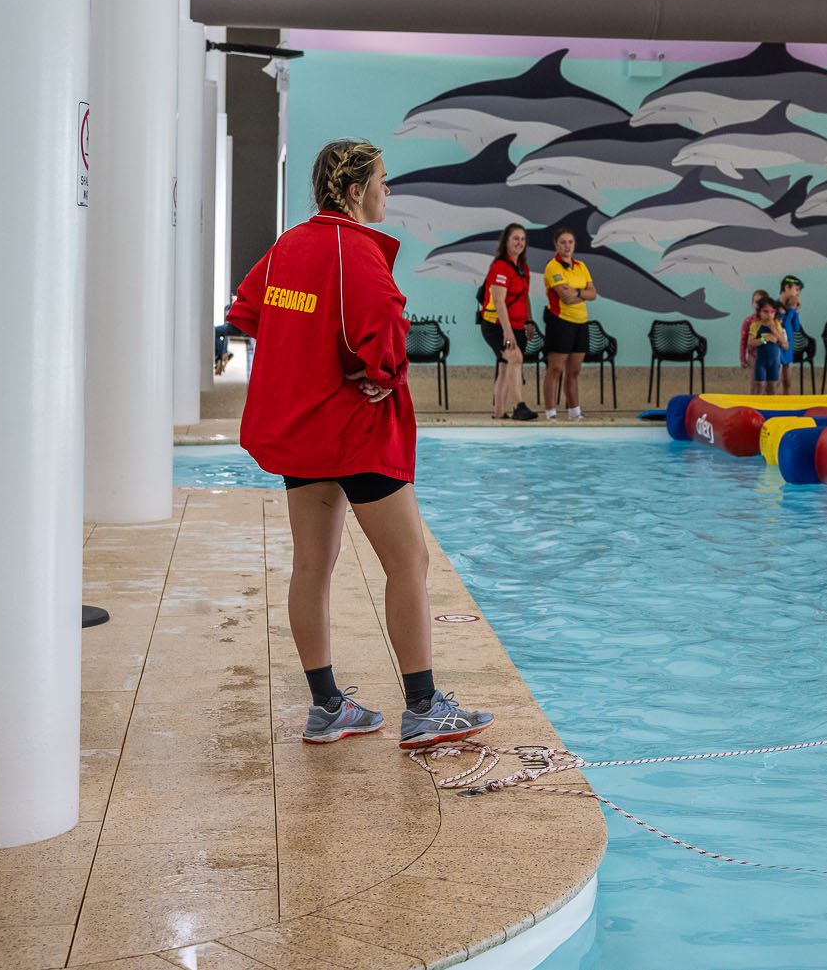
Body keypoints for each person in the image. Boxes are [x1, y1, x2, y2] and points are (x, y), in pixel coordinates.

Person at [228, 138, 493, 748]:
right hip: (353, 430)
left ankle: (326, 706)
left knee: (312, 569)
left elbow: (249, 312)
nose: (387, 190)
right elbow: (386, 334)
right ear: (354, 191)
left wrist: (308, 355)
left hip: (302, 433)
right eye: (381, 180)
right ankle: (424, 706)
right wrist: (381, 376)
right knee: (409, 562)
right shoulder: (358, 251)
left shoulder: (287, 247)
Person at [478, 223, 536, 422]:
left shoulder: (522, 268)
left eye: (522, 239)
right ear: (506, 242)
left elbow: (524, 296)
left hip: (517, 325)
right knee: (515, 358)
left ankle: (499, 413)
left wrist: (529, 321)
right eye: (515, 238)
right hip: (496, 325)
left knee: (505, 367)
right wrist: (508, 332)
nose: (520, 243)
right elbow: (499, 301)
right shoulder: (500, 267)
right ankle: (519, 405)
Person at [541, 227, 597, 420]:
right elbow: (565, 297)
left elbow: (593, 294)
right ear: (556, 245)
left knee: (574, 371)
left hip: (581, 322)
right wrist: (581, 293)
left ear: (574, 245)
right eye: (563, 242)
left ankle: (575, 412)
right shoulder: (553, 267)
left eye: (570, 242)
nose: (567, 246)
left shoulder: (581, 266)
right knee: (555, 369)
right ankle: (550, 413)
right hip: (560, 321)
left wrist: (578, 292)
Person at [748, 299, 790, 395]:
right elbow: (750, 343)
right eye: (765, 311)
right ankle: (758, 408)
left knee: (772, 388)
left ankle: (772, 409)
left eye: (772, 312)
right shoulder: (755, 325)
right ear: (759, 312)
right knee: (760, 386)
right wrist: (764, 339)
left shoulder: (777, 325)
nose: (769, 315)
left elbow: (785, 344)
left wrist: (773, 329)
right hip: (761, 361)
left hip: (774, 362)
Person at [737, 288, 769, 387]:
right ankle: (753, 401)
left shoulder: (770, 321)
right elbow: (743, 341)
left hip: (769, 355)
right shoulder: (748, 321)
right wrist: (743, 358)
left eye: (761, 302)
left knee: (768, 384)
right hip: (754, 356)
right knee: (755, 383)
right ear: (752, 302)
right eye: (756, 302)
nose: (758, 305)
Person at [778, 276, 805, 384]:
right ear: (786, 287)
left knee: (787, 382)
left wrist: (795, 311)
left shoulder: (792, 309)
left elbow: (796, 328)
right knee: (776, 381)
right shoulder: (774, 305)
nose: (798, 293)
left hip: (788, 346)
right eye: (796, 289)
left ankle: (787, 400)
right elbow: (780, 324)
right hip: (777, 347)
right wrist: (789, 312)